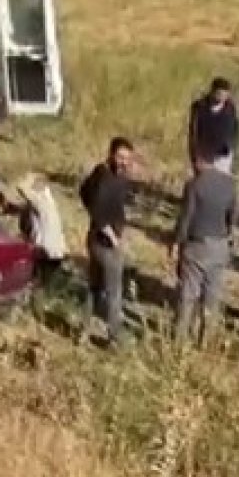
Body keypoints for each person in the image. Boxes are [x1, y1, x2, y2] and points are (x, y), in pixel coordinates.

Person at [170, 147, 239, 346]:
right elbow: (233, 216)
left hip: (197, 244)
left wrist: (176, 241)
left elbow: (186, 218)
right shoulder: (230, 184)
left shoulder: (194, 185)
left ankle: (180, 340)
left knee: (188, 294)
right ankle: (206, 340)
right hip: (219, 245)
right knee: (212, 294)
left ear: (199, 159)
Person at [79, 137, 135, 347]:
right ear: (111, 154)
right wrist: (113, 237)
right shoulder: (105, 178)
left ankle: (83, 331)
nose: (124, 162)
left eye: (127, 159)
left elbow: (83, 192)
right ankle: (114, 338)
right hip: (105, 242)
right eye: (120, 157)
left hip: (95, 238)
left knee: (94, 287)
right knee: (114, 292)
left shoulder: (104, 174)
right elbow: (99, 211)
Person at [187, 77, 239, 175]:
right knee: (203, 183)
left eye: (225, 94)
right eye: (219, 94)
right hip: (204, 155)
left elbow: (235, 131)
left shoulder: (231, 109)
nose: (222, 97)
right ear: (212, 91)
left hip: (223, 156)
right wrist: (195, 156)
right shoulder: (199, 107)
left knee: (219, 184)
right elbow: (193, 133)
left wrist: (232, 149)